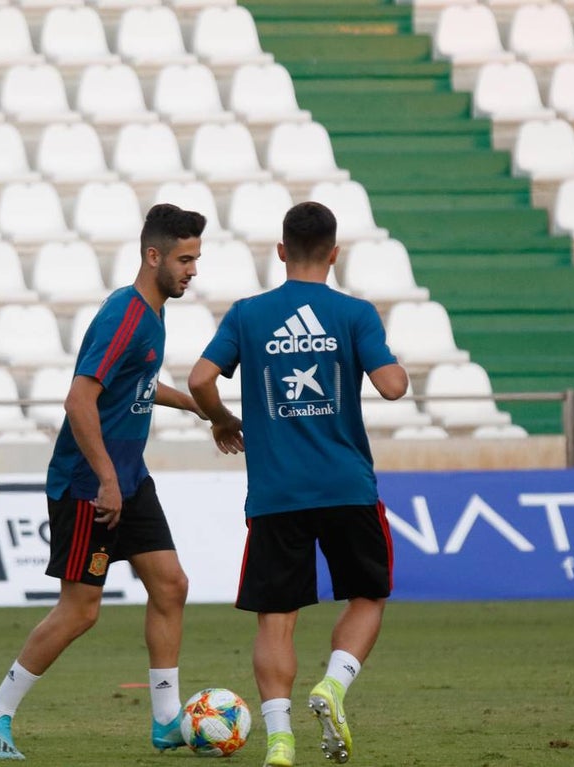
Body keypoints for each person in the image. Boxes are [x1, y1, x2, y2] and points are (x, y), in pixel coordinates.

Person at [0, 204, 209, 760]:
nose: (193, 270)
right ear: (154, 256)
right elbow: (80, 398)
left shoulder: (153, 314)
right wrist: (105, 480)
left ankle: (168, 721)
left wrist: (201, 409)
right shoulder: (124, 314)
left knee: (170, 585)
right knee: (81, 610)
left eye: (196, 258)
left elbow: (142, 382)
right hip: (88, 482)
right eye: (185, 259)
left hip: (129, 478)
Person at [187, 201, 408, 767]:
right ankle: (332, 685)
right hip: (346, 487)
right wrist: (383, 359)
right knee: (369, 595)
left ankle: (280, 740)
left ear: (281, 251)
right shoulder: (355, 314)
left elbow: (199, 378)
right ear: (334, 254)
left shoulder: (247, 314)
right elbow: (392, 387)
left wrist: (221, 419)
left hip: (276, 493)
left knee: (277, 618)